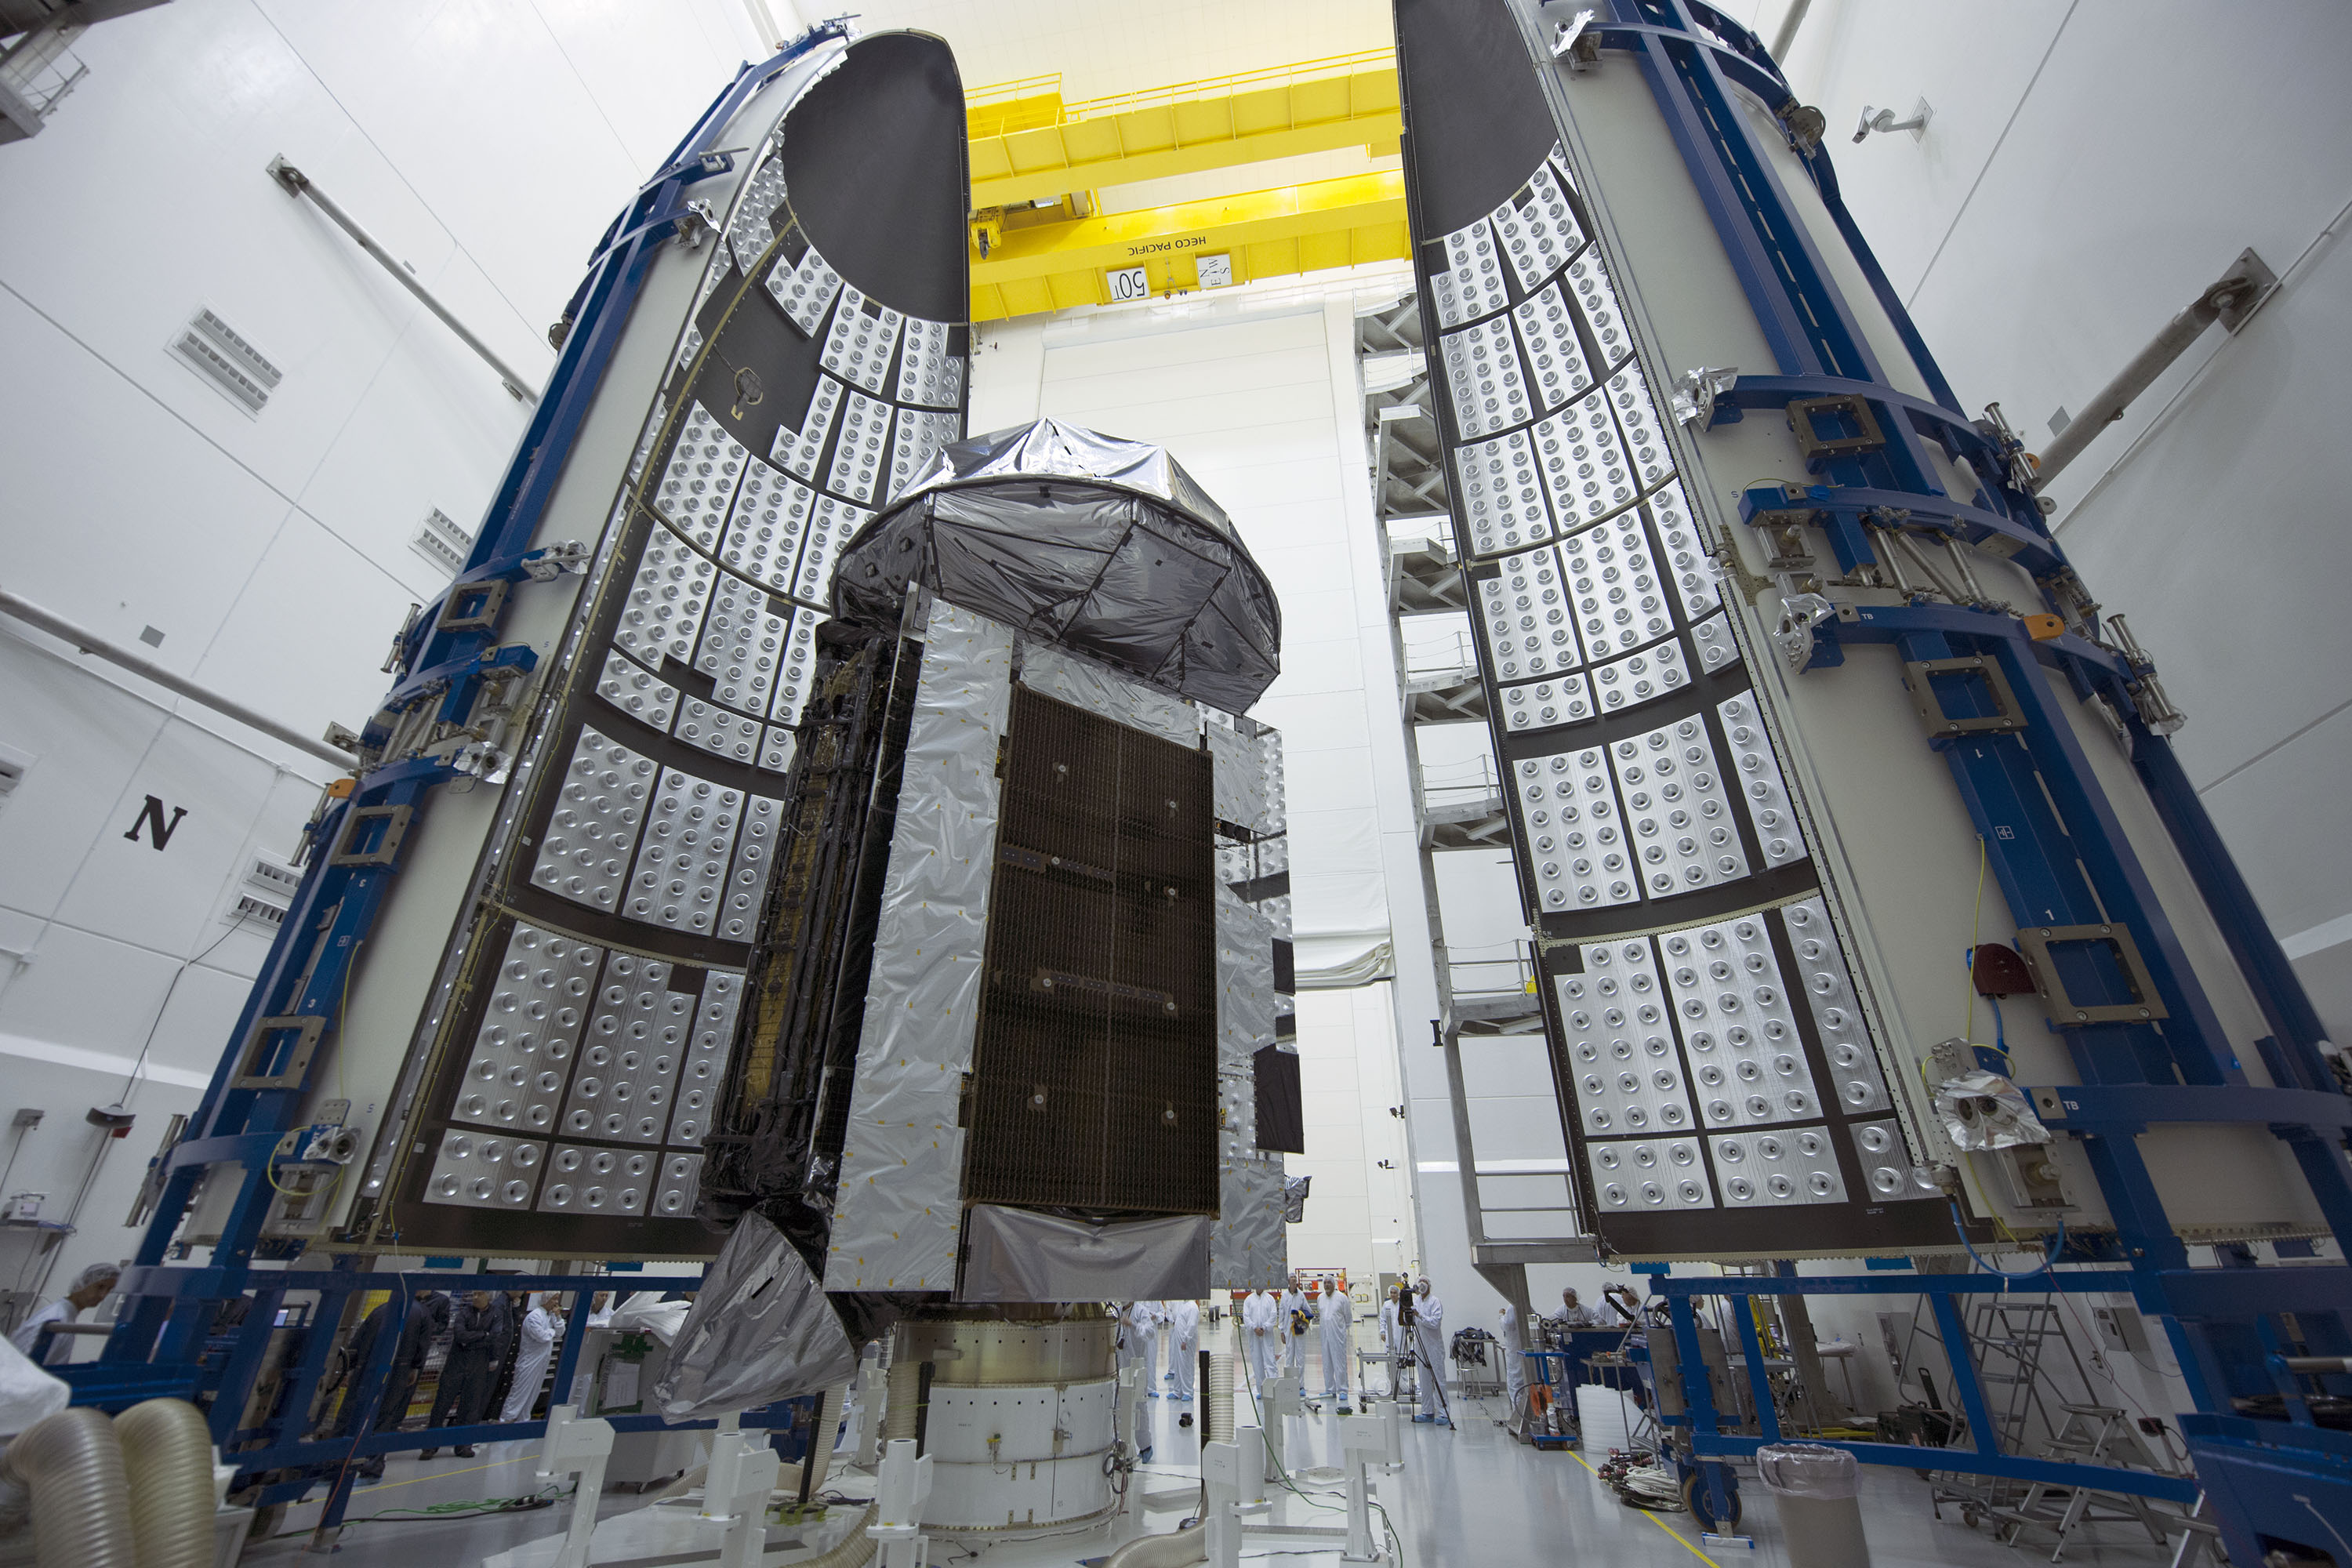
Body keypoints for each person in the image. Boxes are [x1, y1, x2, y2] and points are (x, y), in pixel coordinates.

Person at [333, 1288, 446, 1479]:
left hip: (366, 1367)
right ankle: (372, 1465)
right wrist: (415, 1368)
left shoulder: (380, 1309)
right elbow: (422, 1345)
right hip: (398, 1370)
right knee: (384, 1417)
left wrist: (349, 1368)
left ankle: (334, 1462)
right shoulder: (422, 1313)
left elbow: (358, 1340)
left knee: (350, 1412)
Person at [419, 1290, 502, 1458]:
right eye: (474, 1295)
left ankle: (464, 1445)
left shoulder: (496, 1314)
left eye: (480, 1294)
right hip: (456, 1363)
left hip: (479, 1365)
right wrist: (482, 1336)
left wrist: (472, 1340)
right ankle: (430, 1445)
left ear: (489, 1297)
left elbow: (494, 1336)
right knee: (442, 1402)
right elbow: (460, 1334)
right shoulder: (465, 1312)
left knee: (470, 1406)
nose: (475, 1298)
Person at [9, 1263, 120, 1367]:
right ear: (83, 1283)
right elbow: (22, 1366)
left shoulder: (66, 1317)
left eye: (109, 1290)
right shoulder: (54, 1319)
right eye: (100, 1287)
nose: (102, 1295)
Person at [499, 1294, 564, 1424]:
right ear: (546, 1299)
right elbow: (542, 1337)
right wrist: (553, 1332)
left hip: (542, 1361)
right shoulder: (534, 1316)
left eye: (557, 1299)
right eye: (554, 1299)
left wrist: (558, 1317)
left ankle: (523, 1421)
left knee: (533, 1393)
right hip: (529, 1361)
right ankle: (506, 1420)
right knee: (520, 1392)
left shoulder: (550, 1315)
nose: (557, 1302)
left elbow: (561, 1332)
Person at [1410, 1278, 1448, 1426]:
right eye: (1420, 1281)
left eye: (1424, 1281)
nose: (1422, 1284)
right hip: (1420, 1345)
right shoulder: (1416, 1301)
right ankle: (1427, 1412)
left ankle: (1444, 1414)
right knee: (1424, 1381)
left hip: (1433, 1346)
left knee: (1439, 1380)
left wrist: (1419, 1315)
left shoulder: (1435, 1302)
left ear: (1429, 1285)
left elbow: (1435, 1323)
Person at [1318, 1283, 1353, 1411]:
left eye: (1329, 1283)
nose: (1327, 1285)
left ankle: (1343, 1389)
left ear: (1334, 1285)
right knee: (1327, 1363)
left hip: (1338, 1335)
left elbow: (1348, 1318)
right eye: (1325, 1283)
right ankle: (1329, 1389)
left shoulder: (1342, 1298)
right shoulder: (1320, 1298)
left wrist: (1342, 1331)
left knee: (1340, 1363)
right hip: (1324, 1334)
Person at [1496, 1301, 1529, 1427]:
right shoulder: (1525, 1304)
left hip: (1515, 1351)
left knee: (1515, 1386)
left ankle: (1519, 1418)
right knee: (1524, 1384)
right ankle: (1525, 1416)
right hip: (1524, 1350)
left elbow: (1507, 1325)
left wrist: (1501, 1316)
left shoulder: (1512, 1306)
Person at [1165, 1298, 1200, 1419]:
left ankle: (1188, 1392)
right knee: (1179, 1365)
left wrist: (1185, 1339)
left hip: (1186, 1342)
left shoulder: (1192, 1306)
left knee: (1186, 1365)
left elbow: (1192, 1325)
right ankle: (1177, 1391)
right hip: (1179, 1340)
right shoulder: (1183, 1305)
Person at [1241, 1288, 1279, 1390]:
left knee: (1270, 1360)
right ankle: (1261, 1390)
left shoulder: (1270, 1299)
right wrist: (1254, 1328)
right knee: (1257, 1361)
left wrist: (1264, 1327)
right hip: (1254, 1335)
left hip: (1267, 1334)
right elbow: (1246, 1316)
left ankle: (1273, 1389)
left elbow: (1273, 1315)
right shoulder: (1248, 1300)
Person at [1126, 1300, 1163, 1398]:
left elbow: (1162, 1314)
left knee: (1150, 1362)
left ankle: (1150, 1388)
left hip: (1149, 1338)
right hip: (1135, 1340)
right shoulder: (1128, 1307)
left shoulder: (1155, 1302)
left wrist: (1156, 1316)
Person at [1280, 1276, 1308, 1381]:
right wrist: (1282, 1331)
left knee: (1300, 1357)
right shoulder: (1284, 1296)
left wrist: (1300, 1316)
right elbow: (1282, 1314)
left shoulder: (1301, 1295)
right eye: (1292, 1281)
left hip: (1299, 1329)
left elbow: (1308, 1310)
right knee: (1289, 1357)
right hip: (1288, 1330)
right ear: (1288, 1283)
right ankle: (1289, 1383)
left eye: (1295, 1281)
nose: (1294, 1282)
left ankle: (1301, 1385)